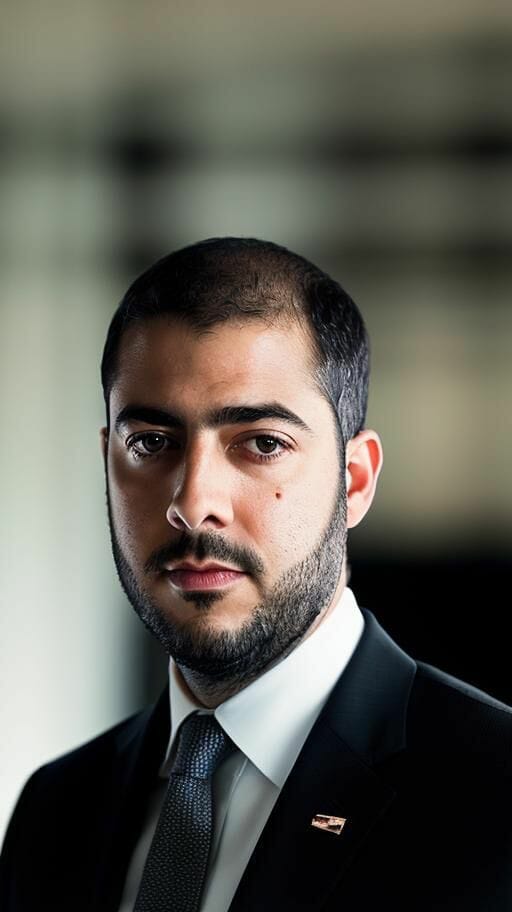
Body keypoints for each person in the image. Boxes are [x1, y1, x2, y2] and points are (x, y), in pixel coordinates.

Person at [1, 237, 511, 911]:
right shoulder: (55, 811)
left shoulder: (495, 795)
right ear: (108, 461)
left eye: (262, 444)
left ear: (354, 482)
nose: (192, 503)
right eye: (151, 443)